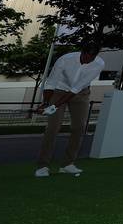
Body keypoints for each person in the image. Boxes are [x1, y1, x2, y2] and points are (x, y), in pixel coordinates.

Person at [35, 43, 104, 177]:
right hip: (59, 91)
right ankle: (42, 166)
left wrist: (55, 106)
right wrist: (46, 103)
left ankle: (67, 164)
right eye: (86, 56)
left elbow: (76, 88)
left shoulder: (99, 64)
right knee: (53, 128)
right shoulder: (65, 59)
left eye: (91, 58)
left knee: (79, 127)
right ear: (82, 52)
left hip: (81, 92)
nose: (88, 60)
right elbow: (52, 82)